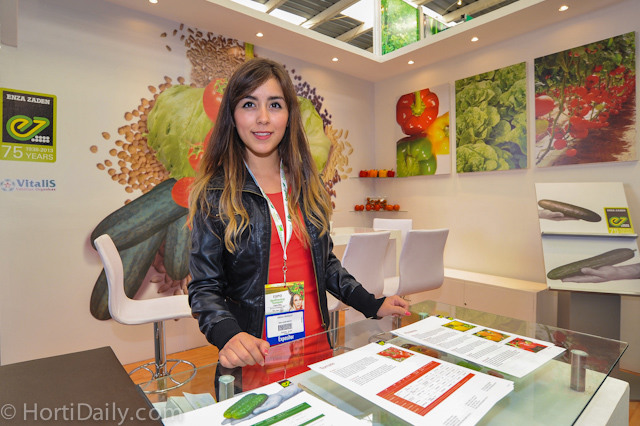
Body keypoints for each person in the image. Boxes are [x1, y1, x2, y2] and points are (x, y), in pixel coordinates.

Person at [187, 57, 409, 371]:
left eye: (275, 105)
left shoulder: (306, 186)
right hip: (254, 357)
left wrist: (371, 304)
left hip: (316, 351)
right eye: (249, 104)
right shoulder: (215, 193)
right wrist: (228, 334)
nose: (263, 118)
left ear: (289, 115)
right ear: (232, 116)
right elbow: (204, 286)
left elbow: (326, 264)